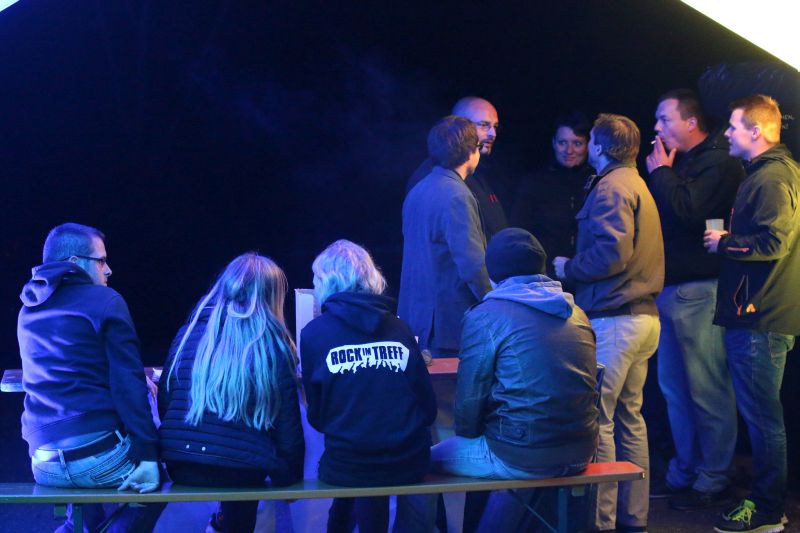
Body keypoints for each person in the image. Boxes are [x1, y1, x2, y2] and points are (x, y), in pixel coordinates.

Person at [430, 227, 599, 531]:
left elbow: (469, 402)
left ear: (494, 272)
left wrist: (472, 433)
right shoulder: (576, 312)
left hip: (521, 452)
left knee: (419, 462)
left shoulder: (487, 314)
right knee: (509, 463)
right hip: (581, 449)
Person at [553, 113, 664, 533]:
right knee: (631, 418)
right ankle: (633, 518)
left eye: (589, 142)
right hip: (642, 318)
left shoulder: (612, 186)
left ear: (598, 146)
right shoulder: (637, 183)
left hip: (616, 319)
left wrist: (569, 267)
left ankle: (601, 522)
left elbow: (612, 254)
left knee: (599, 419)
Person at [18, 222, 161, 532]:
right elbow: (128, 384)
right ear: (75, 262)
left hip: (43, 464)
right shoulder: (106, 301)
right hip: (99, 460)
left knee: (84, 507)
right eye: (101, 260)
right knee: (161, 477)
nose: (108, 270)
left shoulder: (27, 310)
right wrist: (149, 457)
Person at [704, 94, 800, 533]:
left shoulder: (772, 176)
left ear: (756, 131)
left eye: (733, 126)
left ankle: (766, 511)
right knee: (763, 417)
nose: (726, 133)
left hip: (760, 317)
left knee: (763, 419)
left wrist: (723, 243)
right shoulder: (771, 173)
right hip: (762, 313)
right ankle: (767, 506)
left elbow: (774, 242)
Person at [644, 88, 744, 509]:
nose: (657, 128)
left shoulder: (717, 162)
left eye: (664, 118)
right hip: (670, 290)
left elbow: (689, 209)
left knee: (707, 387)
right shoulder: (683, 162)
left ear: (690, 122)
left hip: (701, 291)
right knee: (674, 389)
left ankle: (715, 473)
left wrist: (661, 173)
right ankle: (686, 466)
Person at [158, 253, 305, 533]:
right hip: (242, 470)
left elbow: (166, 398)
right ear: (271, 295)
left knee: (239, 473)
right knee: (243, 477)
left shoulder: (188, 333)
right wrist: (289, 478)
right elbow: (288, 426)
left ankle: (219, 526)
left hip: (182, 464)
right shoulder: (273, 344)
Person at [300, 240, 437, 533]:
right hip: (407, 463)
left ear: (327, 281)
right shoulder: (400, 329)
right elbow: (428, 408)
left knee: (353, 469)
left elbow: (317, 417)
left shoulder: (314, 333)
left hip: (347, 465)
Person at [398, 115, 492, 358]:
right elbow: (472, 265)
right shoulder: (457, 195)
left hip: (415, 321)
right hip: (446, 327)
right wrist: (494, 303)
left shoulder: (418, 191)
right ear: (471, 151)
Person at [407, 96, 508, 241]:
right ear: (459, 126)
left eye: (495, 126)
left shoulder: (476, 174)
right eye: (484, 125)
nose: (493, 133)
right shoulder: (431, 176)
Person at [511, 111, 595, 276]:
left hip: (587, 275)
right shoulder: (534, 183)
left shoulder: (597, 183)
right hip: (544, 277)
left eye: (577, 143)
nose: (569, 150)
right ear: (554, 143)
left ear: (588, 146)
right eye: (562, 142)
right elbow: (519, 232)